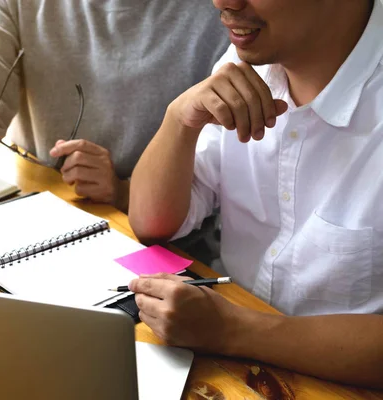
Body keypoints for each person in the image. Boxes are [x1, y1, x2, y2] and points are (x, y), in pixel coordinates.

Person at [129, 0, 383, 388]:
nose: (223, 2)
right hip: (234, 367)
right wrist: (179, 119)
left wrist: (233, 330)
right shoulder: (250, 60)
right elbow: (153, 223)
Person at [0, 0, 229, 213]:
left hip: (165, 243)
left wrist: (123, 191)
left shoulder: (223, 12)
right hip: (40, 213)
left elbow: (228, 166)